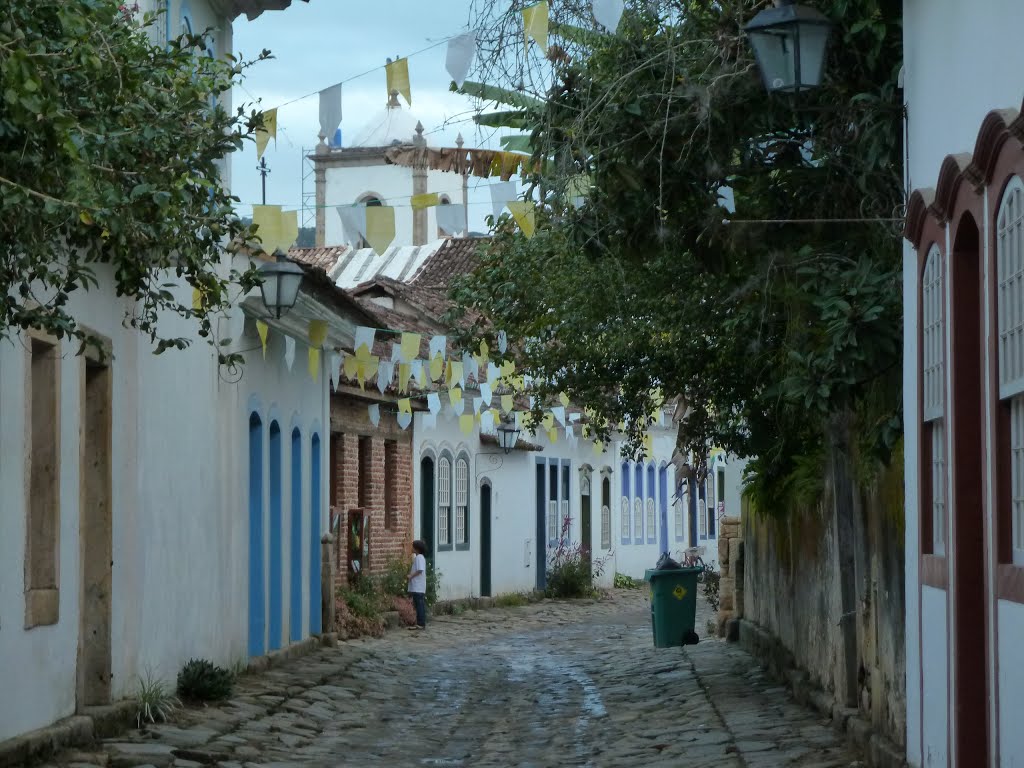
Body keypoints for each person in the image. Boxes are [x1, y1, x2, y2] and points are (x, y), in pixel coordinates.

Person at [406, 540, 427, 630]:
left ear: (417, 549)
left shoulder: (419, 558)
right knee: (419, 604)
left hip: (418, 586)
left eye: (413, 547)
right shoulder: (419, 557)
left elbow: (420, 570)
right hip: (418, 586)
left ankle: (421, 623)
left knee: (419, 605)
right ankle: (420, 622)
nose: (412, 548)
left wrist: (411, 576)